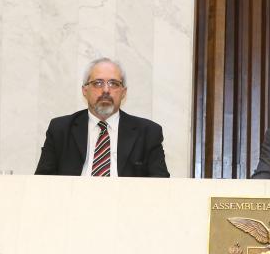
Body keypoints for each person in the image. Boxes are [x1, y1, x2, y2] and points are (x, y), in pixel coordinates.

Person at [35, 57, 169, 177]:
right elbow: (42, 183)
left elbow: (162, 186)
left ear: (123, 92)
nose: (106, 90)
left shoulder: (148, 133)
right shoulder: (60, 130)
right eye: (98, 83)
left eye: (113, 83)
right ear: (85, 90)